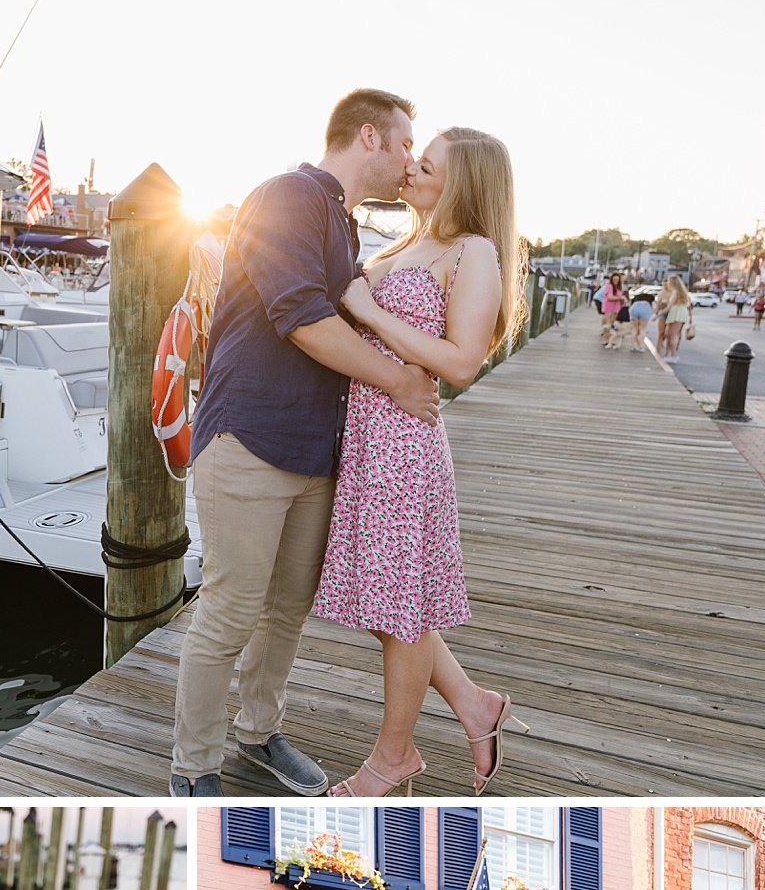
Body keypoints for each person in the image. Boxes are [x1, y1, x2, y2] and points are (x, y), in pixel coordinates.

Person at [168, 89, 440, 799]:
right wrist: (400, 382)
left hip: (315, 454)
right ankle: (193, 764)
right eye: (408, 142)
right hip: (249, 437)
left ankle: (258, 732)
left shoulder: (343, 224)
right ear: (371, 137)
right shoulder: (290, 194)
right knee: (229, 608)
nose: (412, 158)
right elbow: (301, 317)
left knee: (287, 610)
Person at [310, 126, 529, 797]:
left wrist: (369, 312)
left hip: (405, 445)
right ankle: (472, 703)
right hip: (367, 441)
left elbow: (463, 361)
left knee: (399, 609)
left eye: (426, 166)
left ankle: (392, 756)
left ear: (460, 182)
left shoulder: (476, 252)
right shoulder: (409, 242)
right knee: (388, 603)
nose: (410, 171)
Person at [658, 276, 692, 360]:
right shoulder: (682, 292)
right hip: (680, 312)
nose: (668, 283)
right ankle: (670, 354)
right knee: (669, 334)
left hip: (676, 313)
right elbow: (688, 305)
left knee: (671, 335)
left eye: (669, 282)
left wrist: (658, 314)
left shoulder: (675, 292)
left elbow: (669, 306)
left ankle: (673, 355)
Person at [600, 272, 627, 346]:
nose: (616, 281)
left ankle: (611, 339)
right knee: (607, 324)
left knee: (612, 324)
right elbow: (610, 297)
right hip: (609, 307)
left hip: (617, 307)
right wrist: (620, 298)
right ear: (611, 279)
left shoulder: (619, 287)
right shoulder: (609, 286)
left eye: (617, 280)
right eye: (614, 279)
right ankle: (605, 339)